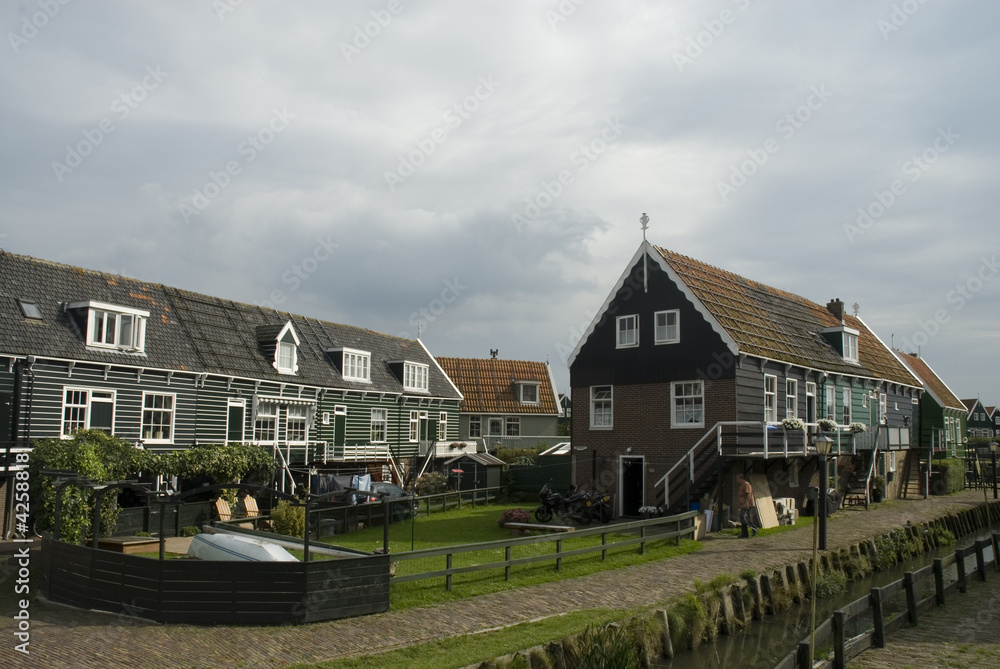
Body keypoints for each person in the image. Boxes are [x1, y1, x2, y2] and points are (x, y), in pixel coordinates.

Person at [737, 473, 758, 538]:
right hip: (743, 505)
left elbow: (748, 494)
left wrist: (747, 503)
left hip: (747, 504)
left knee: (744, 517)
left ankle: (754, 528)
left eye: (737, 479)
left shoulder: (746, 484)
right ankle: (744, 534)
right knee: (743, 519)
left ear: (740, 478)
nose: (736, 481)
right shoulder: (742, 485)